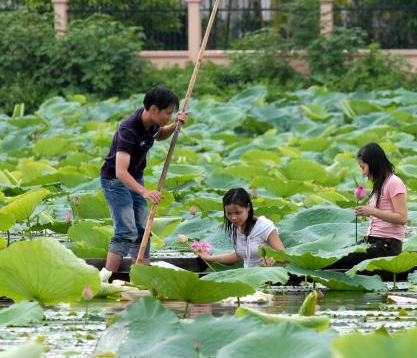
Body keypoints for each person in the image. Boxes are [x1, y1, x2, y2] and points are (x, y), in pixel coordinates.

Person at [100, 86, 188, 272]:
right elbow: (121, 171)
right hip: (115, 181)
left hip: (135, 178)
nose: (169, 117)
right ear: (154, 109)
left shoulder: (152, 122)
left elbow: (160, 134)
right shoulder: (128, 129)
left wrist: (175, 125)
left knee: (143, 229)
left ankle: (142, 277)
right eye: (168, 113)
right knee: (126, 231)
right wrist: (145, 191)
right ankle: (107, 278)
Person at [331, 142, 408, 269]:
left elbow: (402, 218)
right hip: (373, 242)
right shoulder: (379, 184)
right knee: (337, 254)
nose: (363, 172)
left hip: (388, 246)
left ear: (373, 164)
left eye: (363, 167)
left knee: (341, 259)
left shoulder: (394, 182)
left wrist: (372, 211)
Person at [193, 188, 285, 267]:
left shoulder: (265, 227)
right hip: (248, 277)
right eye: (229, 213)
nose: (233, 217)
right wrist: (210, 258)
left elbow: (283, 256)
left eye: (237, 213)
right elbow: (239, 256)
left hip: (268, 280)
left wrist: (274, 258)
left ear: (248, 207)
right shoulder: (235, 229)